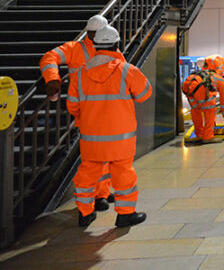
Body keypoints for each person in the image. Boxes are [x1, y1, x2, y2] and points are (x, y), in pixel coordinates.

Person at [68, 25, 150, 228]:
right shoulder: (127, 71)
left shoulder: (79, 74)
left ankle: (85, 214)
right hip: (122, 137)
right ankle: (125, 215)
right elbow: (144, 94)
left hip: (91, 137)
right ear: (117, 44)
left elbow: (72, 106)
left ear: (94, 45)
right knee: (123, 174)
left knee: (87, 174)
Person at [40, 14, 114, 210]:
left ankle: (103, 192)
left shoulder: (105, 48)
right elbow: (50, 57)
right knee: (95, 156)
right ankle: (96, 196)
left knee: (106, 154)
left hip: (105, 110)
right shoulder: (75, 48)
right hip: (88, 112)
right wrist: (52, 79)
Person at [182, 63, 220, 144]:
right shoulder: (221, 83)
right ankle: (208, 137)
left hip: (187, 85)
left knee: (196, 109)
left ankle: (199, 134)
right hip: (198, 87)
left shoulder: (211, 76)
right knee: (210, 110)